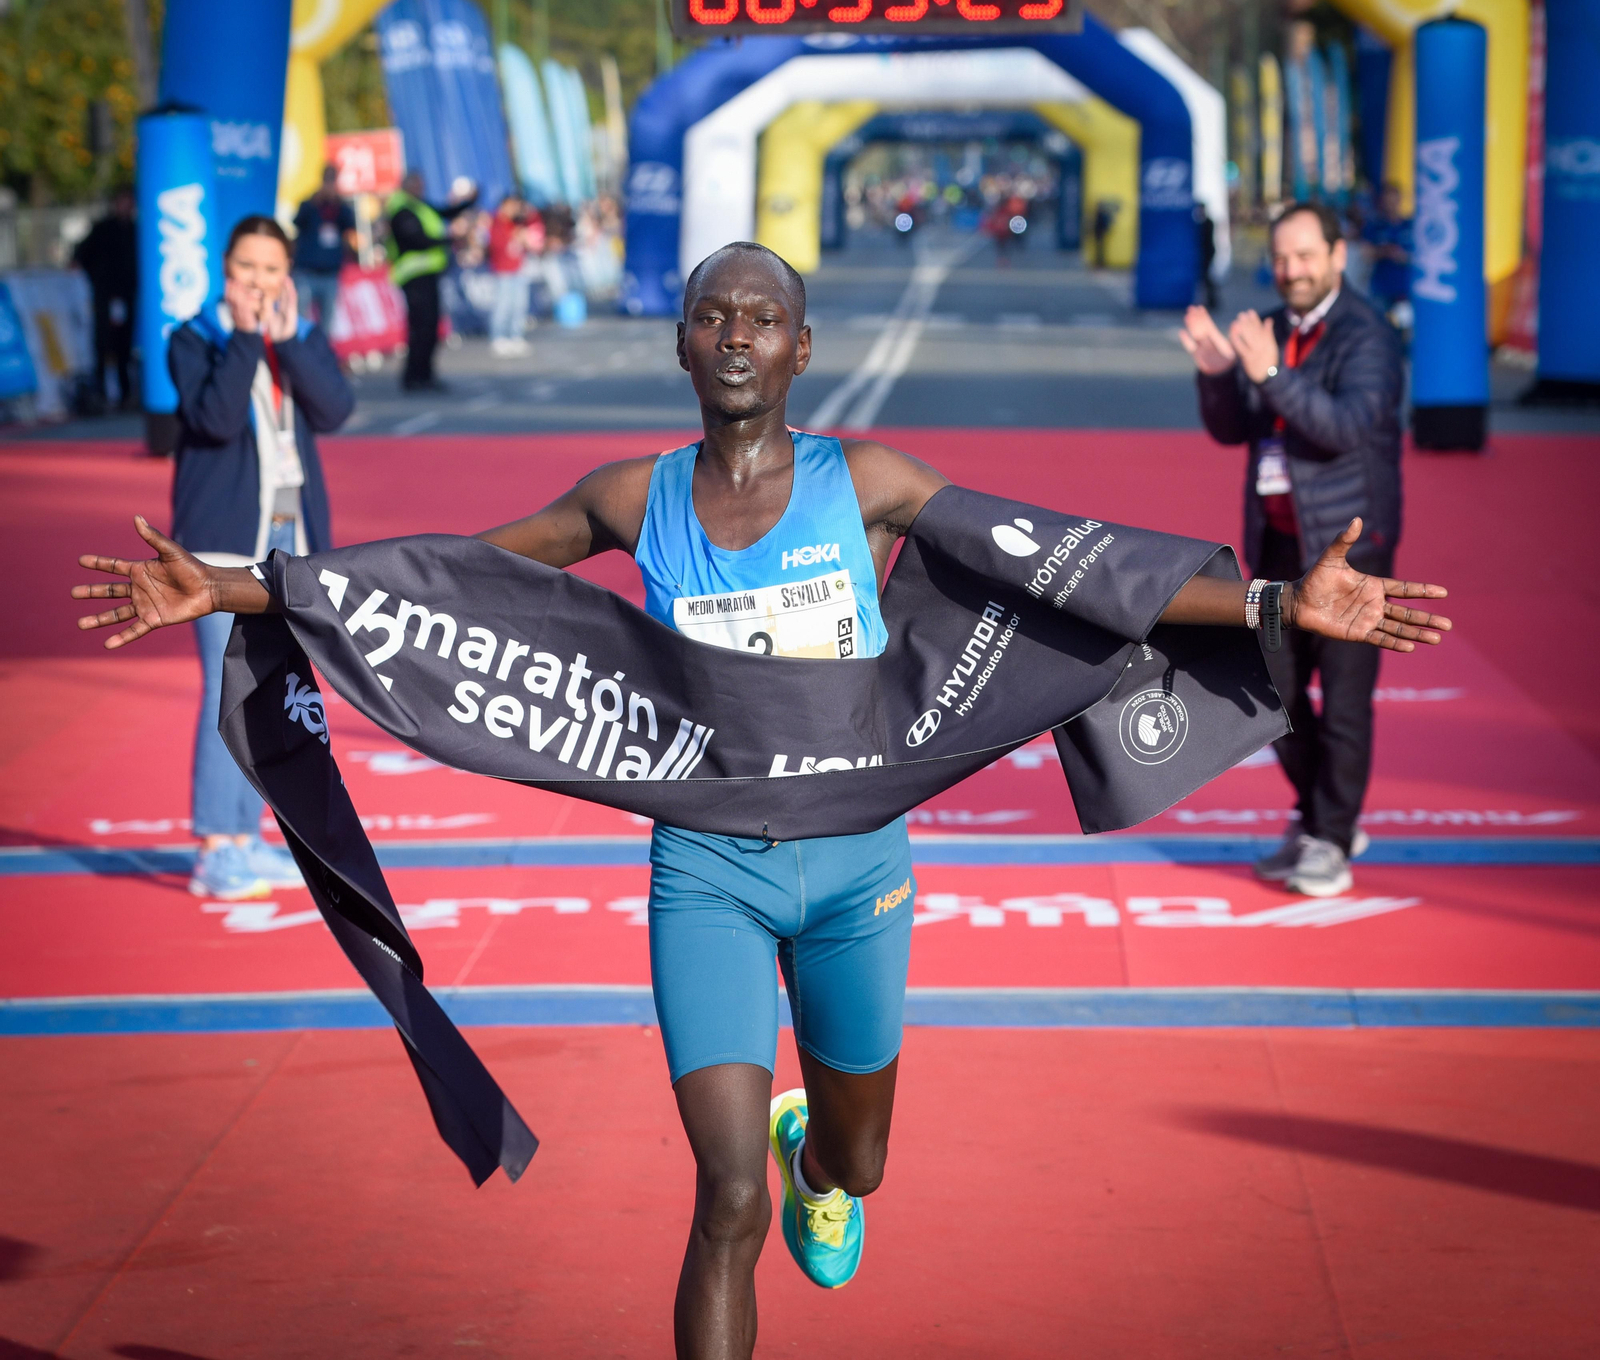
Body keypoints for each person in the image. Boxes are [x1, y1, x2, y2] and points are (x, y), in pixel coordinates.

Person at [73, 242, 1449, 1358]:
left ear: (799, 351)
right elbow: (446, 581)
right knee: (719, 1197)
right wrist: (246, 583)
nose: (736, 330)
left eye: (764, 315)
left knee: (859, 1166)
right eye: (711, 313)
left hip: (861, 875)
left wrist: (1278, 599)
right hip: (708, 875)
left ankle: (823, 1162)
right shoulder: (630, 496)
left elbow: (1061, 566)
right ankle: (765, 1176)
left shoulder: (871, 485)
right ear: (681, 347)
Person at [1180, 200, 1406, 898]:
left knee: (1341, 703)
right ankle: (1322, 819)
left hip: (1348, 551)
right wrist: (1222, 373)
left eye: (1305, 256)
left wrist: (1273, 374)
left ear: (1339, 256)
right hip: (1278, 546)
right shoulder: (1273, 329)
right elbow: (1236, 429)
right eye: (1281, 257)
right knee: (1267, 696)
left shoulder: (1368, 335)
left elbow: (1345, 427)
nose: (1291, 270)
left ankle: (1331, 838)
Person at [165, 214, 354, 900]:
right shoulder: (193, 338)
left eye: (272, 270)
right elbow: (213, 419)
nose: (259, 282)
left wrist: (289, 342)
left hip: (289, 544)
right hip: (219, 549)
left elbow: (336, 409)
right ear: (226, 270)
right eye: (247, 268)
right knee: (226, 694)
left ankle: (247, 837)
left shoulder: (294, 336)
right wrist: (246, 336)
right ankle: (216, 847)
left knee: (270, 693)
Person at [386, 170, 478, 392]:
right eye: (417, 185)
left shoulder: (420, 206)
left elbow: (446, 212)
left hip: (428, 275)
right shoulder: (402, 210)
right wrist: (449, 239)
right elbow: (417, 239)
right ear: (407, 186)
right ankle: (414, 377)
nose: (421, 189)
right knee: (420, 328)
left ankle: (425, 375)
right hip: (414, 277)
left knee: (430, 328)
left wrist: (468, 202)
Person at [72, 184, 138, 413]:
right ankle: (100, 393)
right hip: (105, 296)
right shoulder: (102, 229)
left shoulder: (135, 230)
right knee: (102, 343)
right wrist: (98, 280)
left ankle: (125, 393)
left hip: (128, 296)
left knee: (124, 346)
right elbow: (81, 255)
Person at [291, 164, 358, 332]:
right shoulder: (310, 203)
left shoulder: (341, 207)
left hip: (330, 274)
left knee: (327, 325)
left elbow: (350, 226)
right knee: (300, 320)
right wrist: (316, 201)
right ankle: (299, 355)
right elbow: (297, 222)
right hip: (306, 273)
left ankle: (321, 355)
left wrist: (338, 202)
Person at [486, 194, 538, 356]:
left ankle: (515, 335)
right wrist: (514, 238)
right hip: (503, 271)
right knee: (503, 305)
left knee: (519, 306)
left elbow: (532, 226)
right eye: (512, 206)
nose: (514, 209)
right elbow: (495, 245)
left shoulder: (517, 223)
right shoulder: (496, 222)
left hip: (518, 269)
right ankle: (499, 336)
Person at [1362, 180, 1413, 328]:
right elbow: (1366, 254)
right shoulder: (1375, 226)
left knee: (1405, 327)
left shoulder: (1409, 226)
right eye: (1387, 199)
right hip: (1381, 287)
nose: (1391, 203)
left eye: (1393, 199)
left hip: (1404, 288)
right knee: (1380, 327)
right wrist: (1384, 252)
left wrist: (1402, 256)